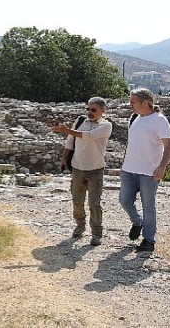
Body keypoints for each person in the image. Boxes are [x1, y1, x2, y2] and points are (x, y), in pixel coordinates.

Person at [52, 97, 113, 246]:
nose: (89, 112)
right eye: (88, 109)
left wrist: (66, 130)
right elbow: (70, 141)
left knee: (94, 202)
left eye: (93, 110)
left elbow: (89, 137)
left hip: (95, 169)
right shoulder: (80, 121)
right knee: (77, 201)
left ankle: (97, 233)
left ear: (102, 111)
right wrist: (64, 157)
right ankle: (80, 225)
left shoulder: (106, 125)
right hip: (78, 167)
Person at [119, 88, 170, 252]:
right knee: (124, 200)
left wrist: (162, 166)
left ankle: (149, 240)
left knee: (148, 205)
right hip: (129, 169)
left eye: (133, 102)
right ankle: (137, 221)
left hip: (149, 172)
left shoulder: (159, 120)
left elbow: (168, 145)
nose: (130, 105)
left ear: (146, 103)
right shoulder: (134, 117)